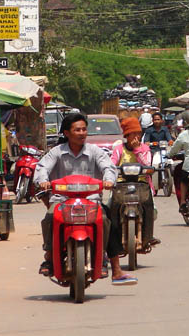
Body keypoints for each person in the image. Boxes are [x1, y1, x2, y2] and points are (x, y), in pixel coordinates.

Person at [34, 112, 136, 286]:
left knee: (106, 220)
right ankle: (49, 256)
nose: (82, 133)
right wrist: (43, 181)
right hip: (62, 201)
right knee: (50, 218)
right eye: (77, 130)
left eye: (84, 129)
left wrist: (109, 180)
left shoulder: (95, 151)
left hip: (91, 201)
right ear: (67, 133)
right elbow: (42, 167)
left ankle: (114, 267)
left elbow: (108, 167)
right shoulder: (56, 152)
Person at [111, 117, 160, 249]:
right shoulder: (119, 149)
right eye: (133, 134)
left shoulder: (145, 149)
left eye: (138, 133)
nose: (136, 136)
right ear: (127, 135)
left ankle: (148, 237)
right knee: (112, 209)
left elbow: (147, 165)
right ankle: (113, 241)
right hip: (121, 185)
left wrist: (138, 151)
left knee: (148, 208)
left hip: (141, 185)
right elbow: (111, 165)